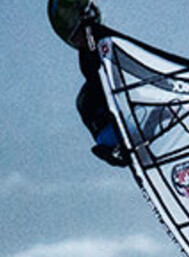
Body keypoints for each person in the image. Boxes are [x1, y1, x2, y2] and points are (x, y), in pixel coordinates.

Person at [49, 0, 130, 167]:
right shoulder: (88, 51)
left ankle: (114, 143)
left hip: (140, 95)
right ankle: (114, 144)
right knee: (85, 101)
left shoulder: (97, 37)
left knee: (85, 101)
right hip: (122, 115)